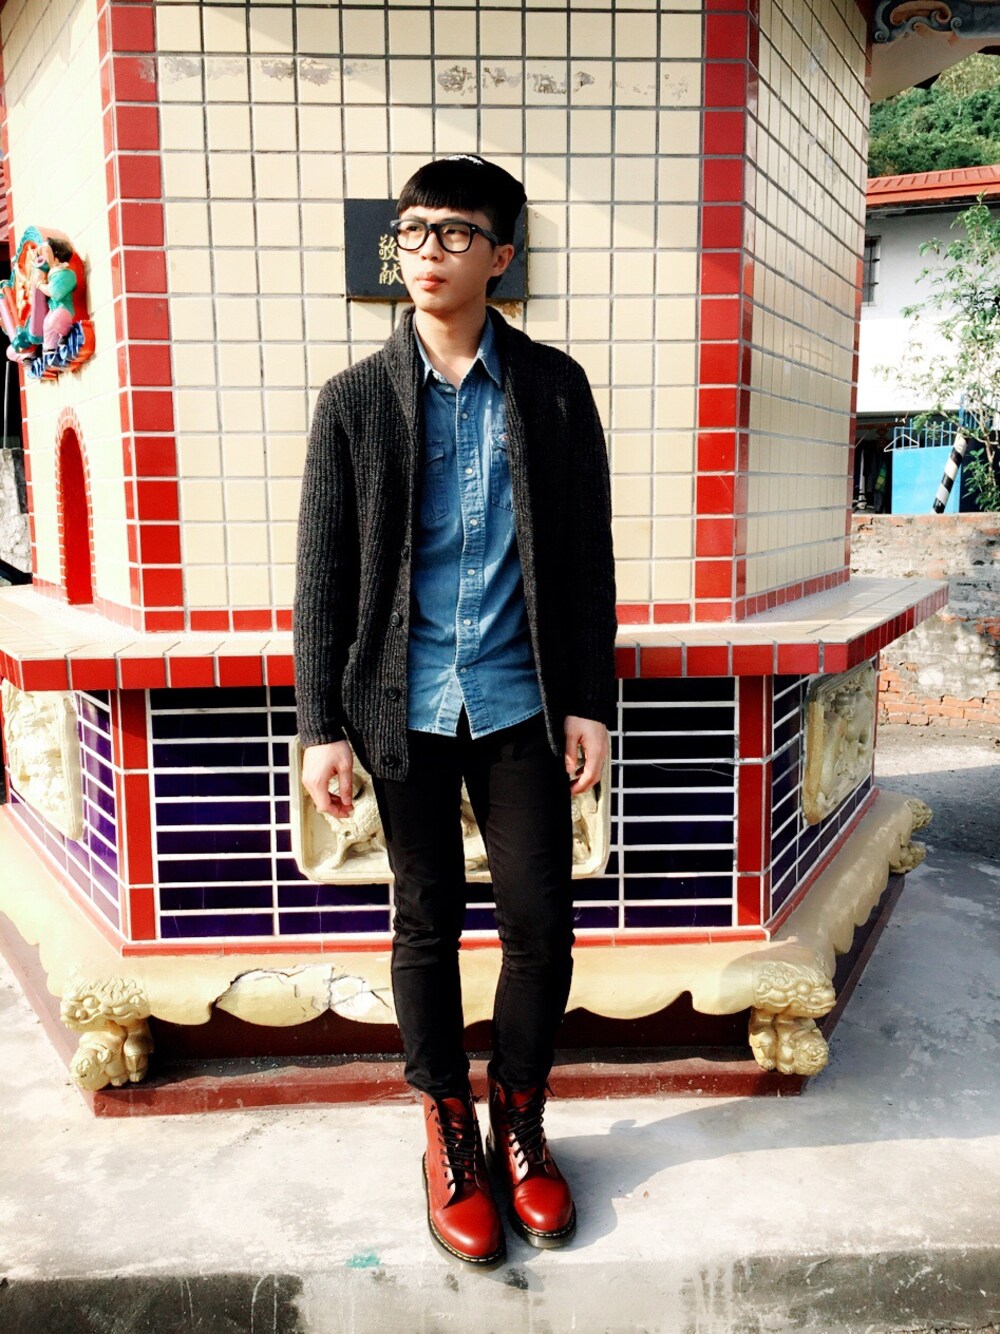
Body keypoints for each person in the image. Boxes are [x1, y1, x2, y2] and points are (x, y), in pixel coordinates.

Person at [294, 154, 617, 1267]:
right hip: (402, 707)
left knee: (541, 922)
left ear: (501, 255)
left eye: (454, 232)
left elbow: (585, 561)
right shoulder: (353, 401)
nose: (427, 251)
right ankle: (444, 1126)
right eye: (412, 231)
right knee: (425, 920)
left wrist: (589, 701)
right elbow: (324, 577)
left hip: (521, 701)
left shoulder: (555, 389)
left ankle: (518, 1115)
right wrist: (320, 726)